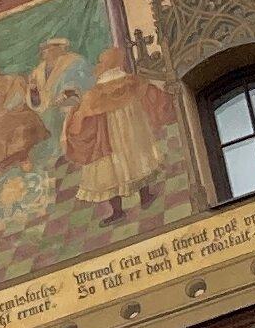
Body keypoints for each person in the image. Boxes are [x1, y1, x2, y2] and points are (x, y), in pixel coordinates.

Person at [61, 44, 173, 220]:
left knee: (110, 169)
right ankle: (145, 197)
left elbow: (81, 116)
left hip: (109, 140)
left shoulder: (96, 93)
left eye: (100, 62)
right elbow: (153, 95)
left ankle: (118, 212)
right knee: (138, 160)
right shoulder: (132, 82)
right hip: (134, 133)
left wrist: (75, 116)